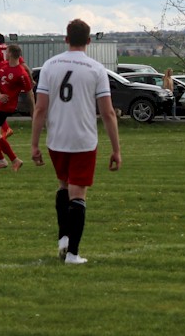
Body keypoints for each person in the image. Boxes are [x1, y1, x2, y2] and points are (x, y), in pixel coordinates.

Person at [30, 19, 121, 265]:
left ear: (66, 39)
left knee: (63, 186)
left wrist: (34, 144)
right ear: (89, 41)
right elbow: (108, 112)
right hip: (83, 140)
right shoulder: (96, 69)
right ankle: (72, 254)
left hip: (56, 139)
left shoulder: (49, 66)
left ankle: (63, 238)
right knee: (78, 193)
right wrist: (116, 149)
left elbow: (40, 109)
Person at [0, 44, 35, 172]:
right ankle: (15, 160)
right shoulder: (3, 65)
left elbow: (30, 93)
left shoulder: (21, 73)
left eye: (6, 52)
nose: (5, 53)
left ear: (10, 53)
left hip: (4, 107)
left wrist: (34, 112)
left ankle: (1, 160)